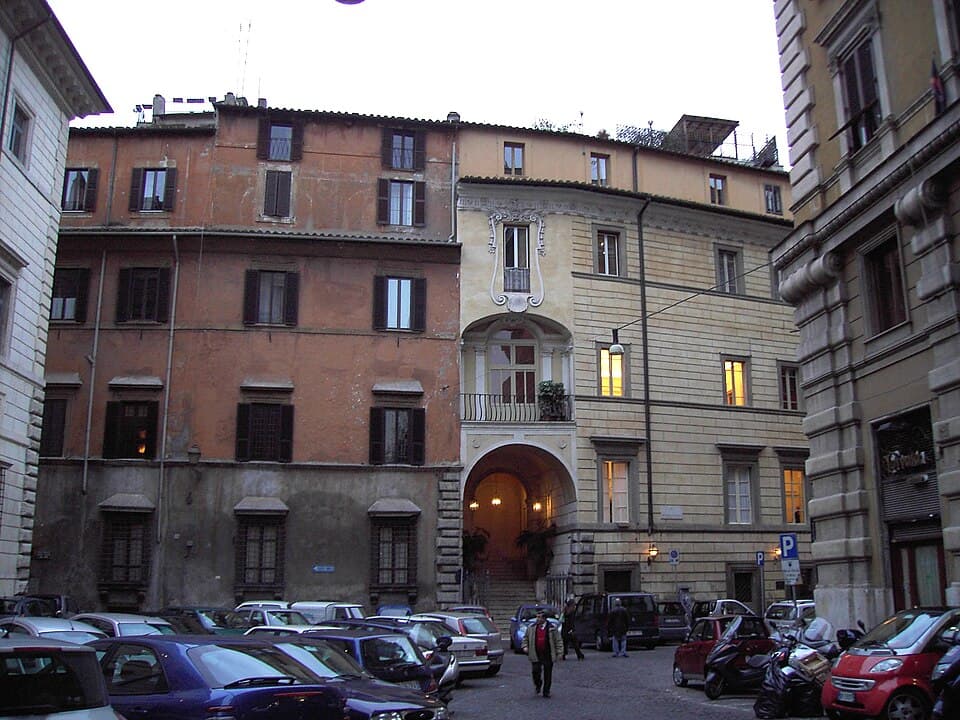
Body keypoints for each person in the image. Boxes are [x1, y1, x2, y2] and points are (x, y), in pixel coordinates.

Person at [521, 609, 562, 697]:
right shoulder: (531, 628)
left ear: (544, 619)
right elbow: (525, 638)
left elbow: (558, 640)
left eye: (539, 617)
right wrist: (525, 646)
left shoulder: (552, 628)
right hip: (536, 652)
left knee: (548, 673)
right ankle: (538, 684)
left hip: (547, 653)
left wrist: (559, 652)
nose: (537, 619)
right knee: (535, 671)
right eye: (537, 617)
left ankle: (546, 691)